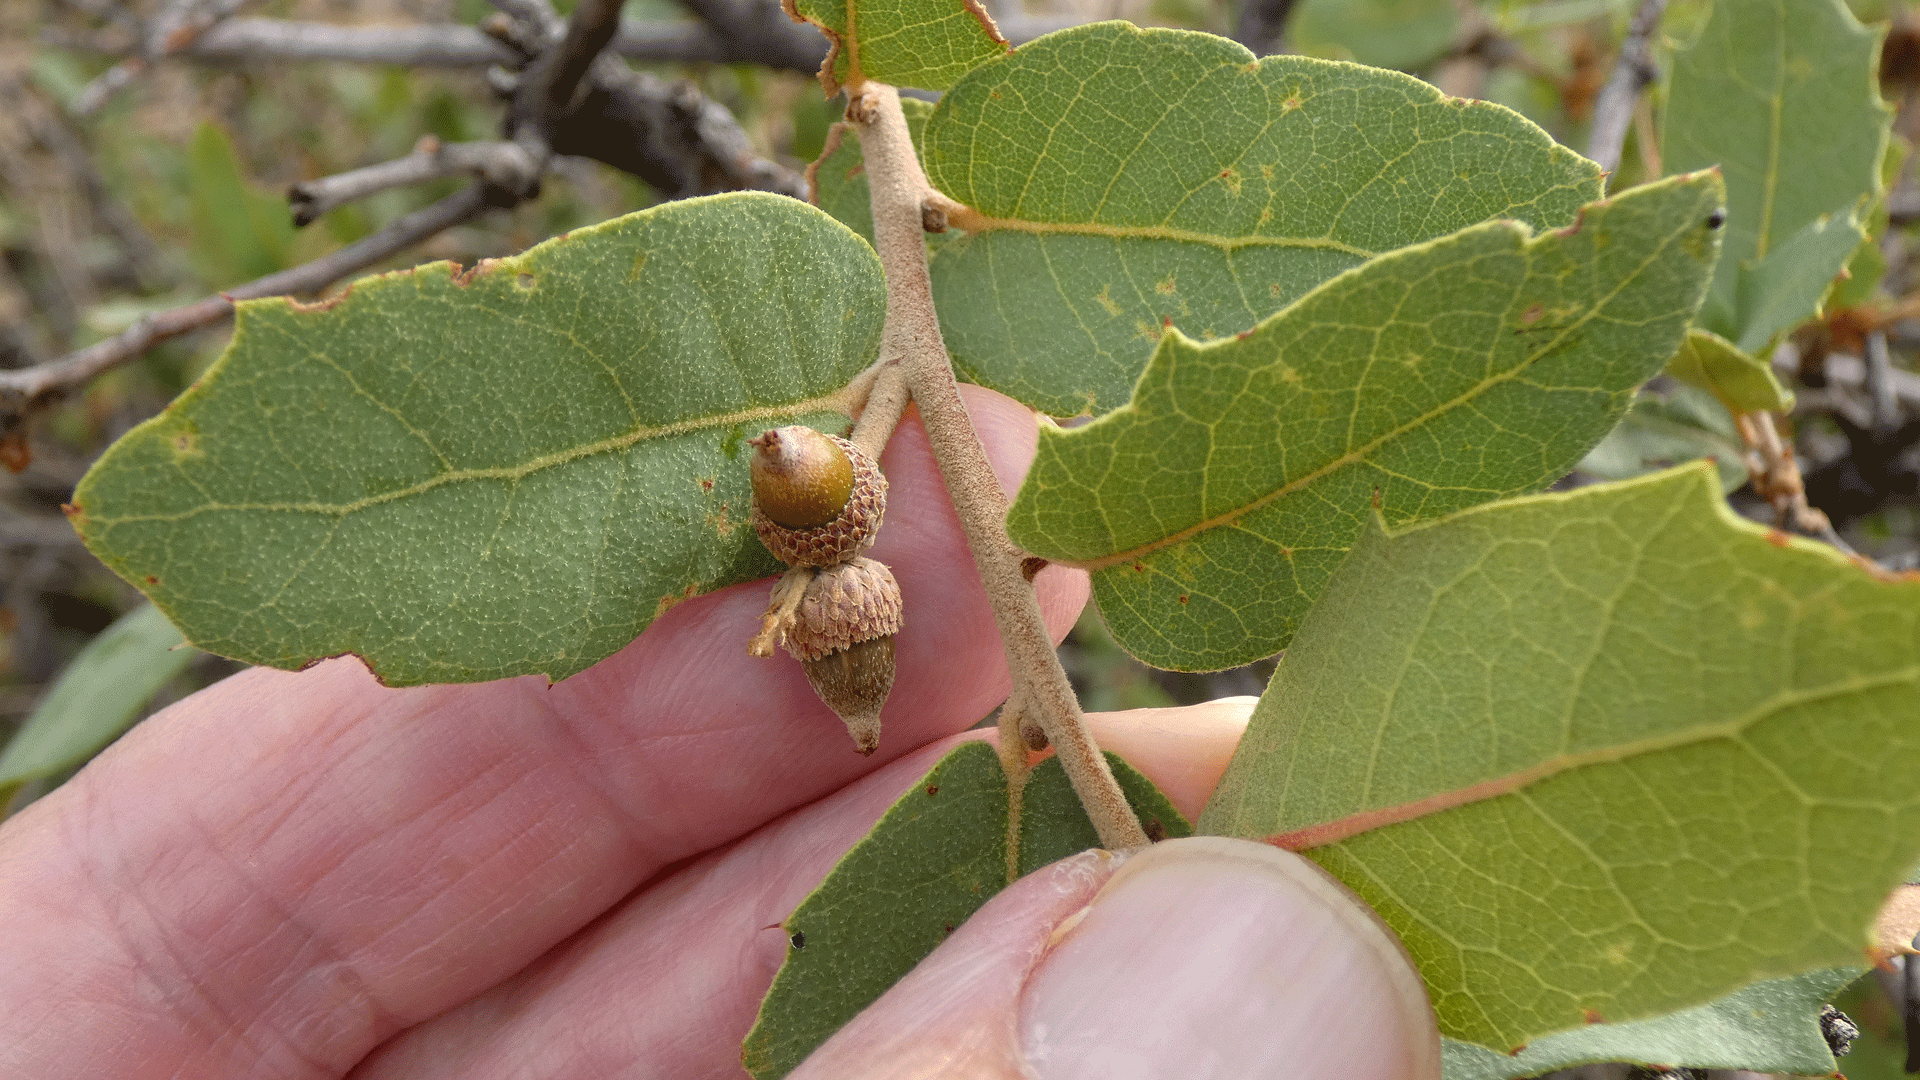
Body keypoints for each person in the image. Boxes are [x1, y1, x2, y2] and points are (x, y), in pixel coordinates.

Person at [0, 386, 1439, 1079]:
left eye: (800, 478)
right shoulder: (829, 545)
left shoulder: (842, 551)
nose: (788, 470)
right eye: (789, 482)